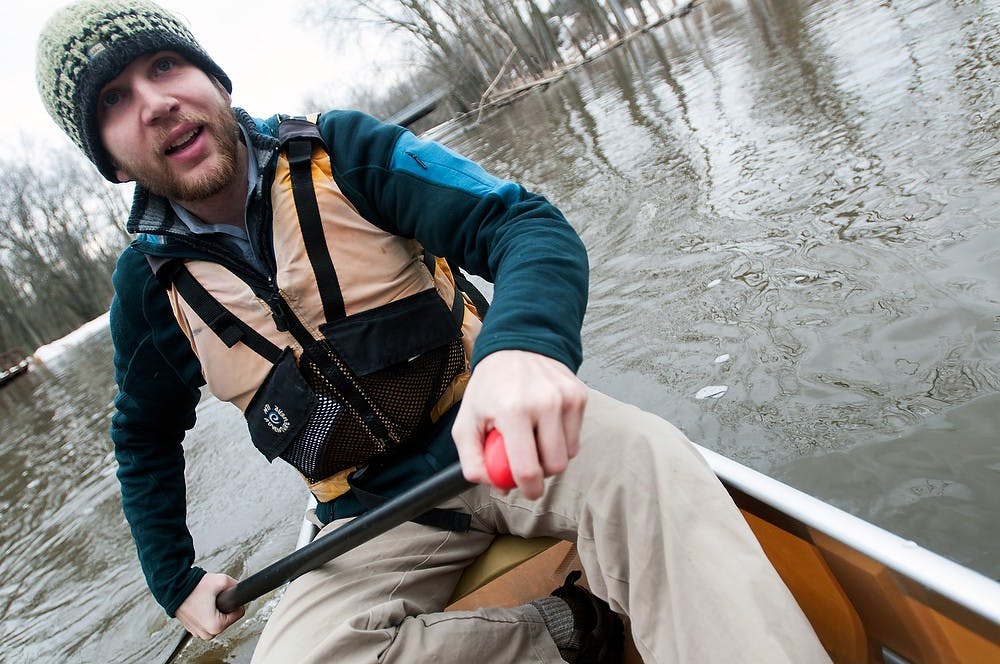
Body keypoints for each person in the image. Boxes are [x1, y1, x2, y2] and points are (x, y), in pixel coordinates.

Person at [36, 2, 830, 662]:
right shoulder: (148, 292)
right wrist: (173, 577)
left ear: (211, 79)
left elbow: (523, 224)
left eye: (165, 68)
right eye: (114, 101)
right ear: (108, 158)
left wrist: (522, 349)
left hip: (503, 448)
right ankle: (564, 630)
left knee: (646, 462)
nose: (154, 102)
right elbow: (141, 440)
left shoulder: (346, 154)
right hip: (372, 518)